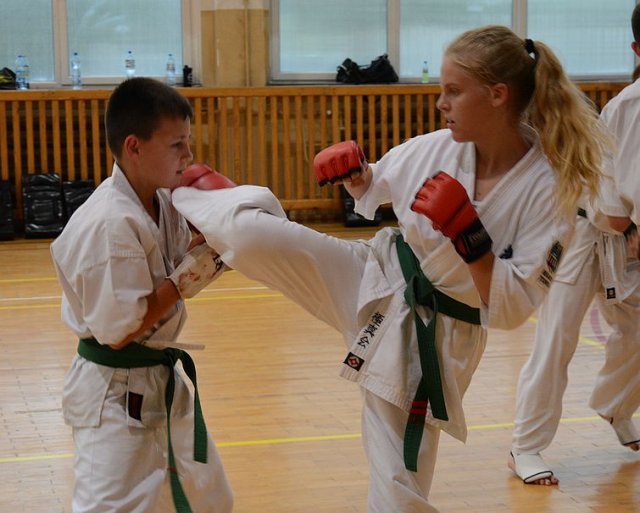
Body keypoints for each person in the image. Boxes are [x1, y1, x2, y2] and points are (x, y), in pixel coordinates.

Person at [172, 26, 610, 512]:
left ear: (497, 95)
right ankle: (201, 200)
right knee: (249, 234)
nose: (441, 103)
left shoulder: (550, 189)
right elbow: (375, 186)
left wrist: (471, 239)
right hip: (376, 273)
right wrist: (357, 174)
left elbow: (509, 309)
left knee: (397, 487)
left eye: (454, 91)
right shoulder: (437, 147)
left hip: (435, 335)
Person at [50, 77, 234, 513]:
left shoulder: (160, 199)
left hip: (155, 378)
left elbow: (171, 269)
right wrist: (196, 271)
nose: (188, 155)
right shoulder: (110, 224)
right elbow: (120, 331)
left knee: (209, 499)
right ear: (134, 146)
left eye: (188, 142)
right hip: (114, 395)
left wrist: (217, 245)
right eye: (176, 144)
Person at [508, 7, 640, 486]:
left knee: (636, 334)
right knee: (557, 337)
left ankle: (615, 407)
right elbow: (616, 209)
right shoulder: (630, 106)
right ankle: (525, 445)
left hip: (619, 228)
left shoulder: (617, 107)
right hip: (580, 234)